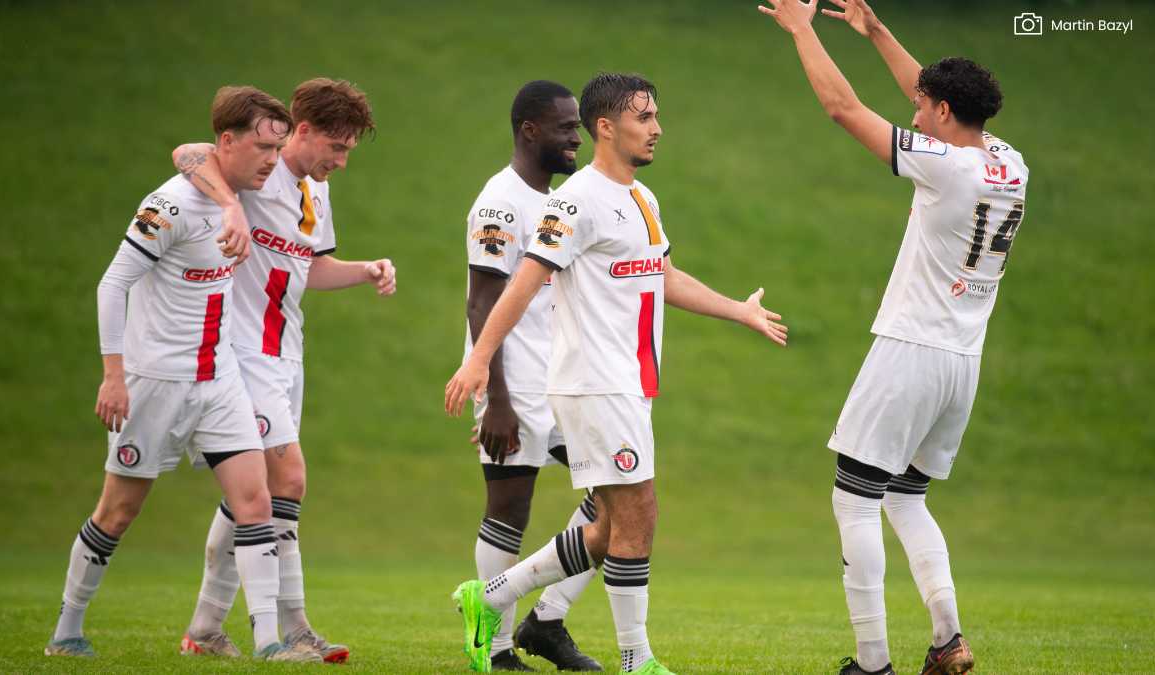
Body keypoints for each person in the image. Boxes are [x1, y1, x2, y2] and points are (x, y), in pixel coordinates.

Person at [446, 72, 789, 674]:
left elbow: (666, 276)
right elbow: (522, 283)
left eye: (656, 116)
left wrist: (740, 310)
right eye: (644, 117)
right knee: (638, 516)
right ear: (605, 127)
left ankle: (492, 598)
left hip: (630, 383)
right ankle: (637, 661)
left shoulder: (641, 198)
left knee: (612, 524)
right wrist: (478, 360)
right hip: (593, 383)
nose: (657, 129)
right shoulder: (574, 201)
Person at [757, 1, 1027, 673]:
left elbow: (844, 110)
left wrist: (802, 30)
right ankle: (947, 639)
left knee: (854, 495)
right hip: (963, 359)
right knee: (907, 497)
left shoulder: (947, 169)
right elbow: (926, 96)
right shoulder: (1009, 162)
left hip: (911, 346)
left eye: (923, 105)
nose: (913, 109)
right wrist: (876, 32)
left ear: (943, 113)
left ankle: (872, 663)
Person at [45, 86, 318, 662]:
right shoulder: (168, 207)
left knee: (257, 503)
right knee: (119, 511)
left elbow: (208, 157)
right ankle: (66, 631)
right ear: (227, 141)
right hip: (153, 382)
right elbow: (112, 284)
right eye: (262, 146)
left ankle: (269, 642)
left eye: (278, 147)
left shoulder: (242, 196)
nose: (272, 160)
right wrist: (112, 375)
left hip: (219, 381)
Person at [169, 78, 395, 663]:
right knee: (289, 479)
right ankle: (292, 630)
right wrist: (226, 207)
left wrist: (366, 270)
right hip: (240, 353)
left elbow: (308, 271)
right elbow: (189, 153)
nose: (342, 162)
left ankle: (205, 627)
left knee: (255, 494)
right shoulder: (253, 173)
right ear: (304, 130)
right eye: (337, 148)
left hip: (286, 354)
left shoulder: (314, 192)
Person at [463, 79, 601, 672]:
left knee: (617, 500)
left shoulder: (561, 201)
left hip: (566, 378)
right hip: (514, 385)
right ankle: (491, 649)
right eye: (568, 128)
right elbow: (481, 304)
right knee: (509, 512)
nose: (579, 137)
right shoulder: (498, 203)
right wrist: (496, 400)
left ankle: (546, 620)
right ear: (530, 130)